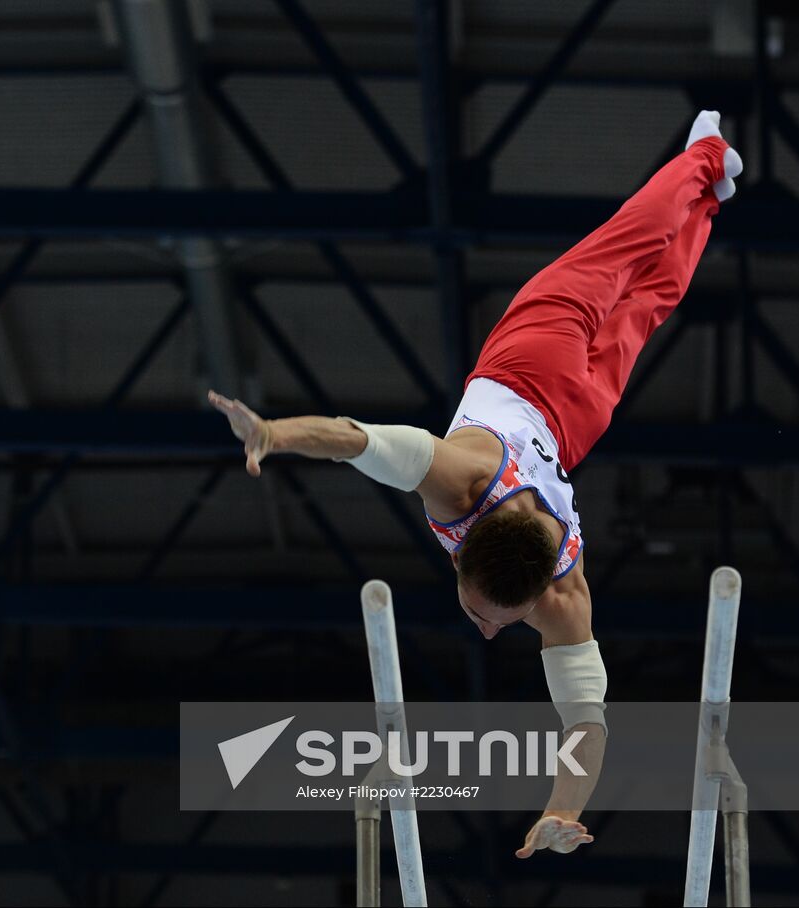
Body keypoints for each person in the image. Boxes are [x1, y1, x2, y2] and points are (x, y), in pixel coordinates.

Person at [209, 111, 741, 859]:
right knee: (624, 252)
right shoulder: (461, 487)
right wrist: (275, 434)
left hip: (575, 424)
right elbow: (355, 439)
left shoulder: (558, 591)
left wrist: (561, 811)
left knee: (647, 299)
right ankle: (707, 158)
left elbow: (586, 725)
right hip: (535, 363)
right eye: (491, 617)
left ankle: (710, 188)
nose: (487, 631)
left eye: (485, 618)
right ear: (466, 556)